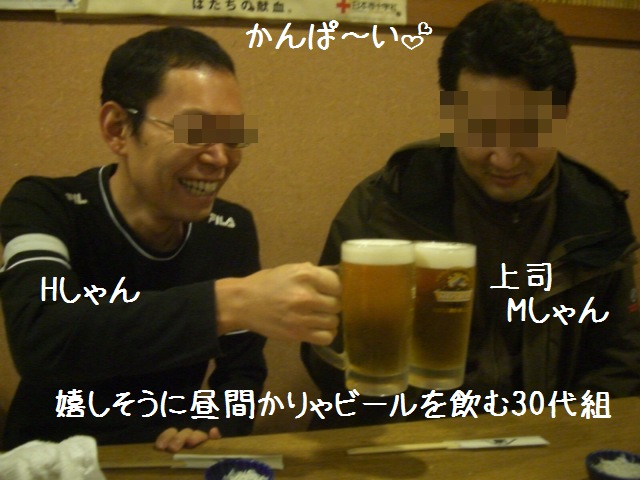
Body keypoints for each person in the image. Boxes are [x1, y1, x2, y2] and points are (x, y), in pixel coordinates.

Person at [302, 0, 640, 430]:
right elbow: (325, 349)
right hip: (409, 440)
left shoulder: (595, 215)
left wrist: (558, 437)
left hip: (544, 443)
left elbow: (618, 363)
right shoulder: (388, 202)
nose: (502, 157)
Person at [0, 27, 340, 451]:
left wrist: (216, 427)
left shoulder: (229, 229)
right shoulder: (45, 206)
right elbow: (42, 335)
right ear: (118, 128)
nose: (220, 158)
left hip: (168, 457)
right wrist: (229, 303)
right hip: (48, 459)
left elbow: (241, 373)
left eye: (233, 136)